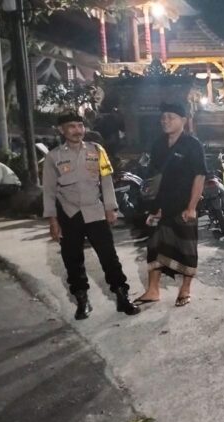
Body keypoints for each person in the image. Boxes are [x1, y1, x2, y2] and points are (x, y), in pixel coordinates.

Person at [42, 113, 141, 320]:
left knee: (109, 257)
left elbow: (106, 180)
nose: (77, 130)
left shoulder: (97, 151)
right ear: (61, 130)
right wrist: (53, 221)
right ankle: (82, 301)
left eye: (80, 126)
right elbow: (49, 191)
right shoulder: (53, 157)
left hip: (95, 212)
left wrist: (111, 208)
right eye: (71, 126)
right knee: (72, 260)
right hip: (69, 214)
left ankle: (122, 297)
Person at [135, 103, 208, 308]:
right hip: (161, 205)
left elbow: (200, 176)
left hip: (184, 206)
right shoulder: (158, 144)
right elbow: (154, 176)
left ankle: (185, 289)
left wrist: (192, 207)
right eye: (163, 117)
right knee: (155, 247)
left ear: (183, 120)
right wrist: (153, 206)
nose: (165, 121)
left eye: (171, 117)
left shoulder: (193, 145)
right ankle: (153, 290)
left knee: (186, 248)